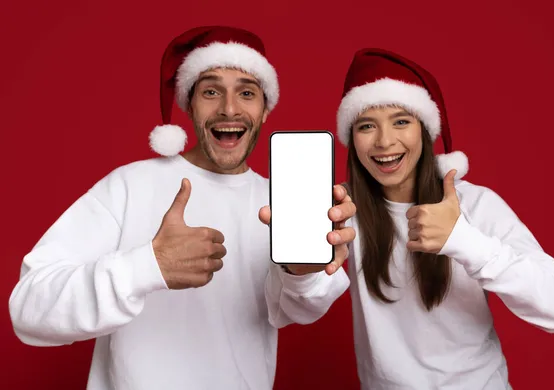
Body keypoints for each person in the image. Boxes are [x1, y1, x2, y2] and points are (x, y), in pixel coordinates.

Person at [8, 26, 354, 390]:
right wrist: (148, 266)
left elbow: (300, 311)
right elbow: (29, 310)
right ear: (189, 103)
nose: (229, 108)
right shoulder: (129, 185)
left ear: (265, 110)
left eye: (247, 92)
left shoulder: (281, 205)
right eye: (210, 91)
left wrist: (302, 270)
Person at [333, 48, 554, 389]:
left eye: (401, 121)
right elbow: (295, 307)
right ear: (352, 138)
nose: (385, 141)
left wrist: (462, 240)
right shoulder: (342, 213)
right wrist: (301, 268)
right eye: (366, 125)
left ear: (424, 129)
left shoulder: (476, 204)